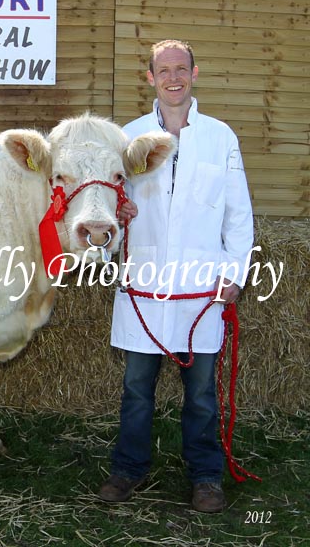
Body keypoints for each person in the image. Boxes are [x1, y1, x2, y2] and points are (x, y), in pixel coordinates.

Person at [98, 40, 254, 513]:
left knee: (202, 394)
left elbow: (237, 213)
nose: (172, 78)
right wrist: (118, 221)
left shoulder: (220, 137)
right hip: (144, 285)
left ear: (194, 73)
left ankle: (206, 477)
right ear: (149, 78)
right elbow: (108, 213)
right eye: (163, 70)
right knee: (136, 389)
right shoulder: (128, 138)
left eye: (180, 69)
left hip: (202, 289)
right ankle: (127, 469)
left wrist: (235, 273)